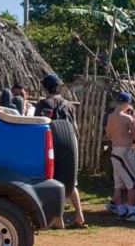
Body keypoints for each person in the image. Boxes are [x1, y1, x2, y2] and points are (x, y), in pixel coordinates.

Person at [35, 74, 88, 229]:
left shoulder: (43, 104)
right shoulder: (70, 105)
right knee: (71, 182)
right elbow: (75, 128)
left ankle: (58, 220)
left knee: (53, 181)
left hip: (52, 145)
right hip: (69, 144)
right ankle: (79, 216)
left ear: (46, 88)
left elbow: (38, 127)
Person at [105, 92, 135, 222]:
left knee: (119, 183)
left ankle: (121, 209)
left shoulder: (110, 117)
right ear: (127, 103)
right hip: (125, 153)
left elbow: (109, 134)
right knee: (132, 182)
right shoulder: (126, 118)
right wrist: (134, 119)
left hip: (115, 151)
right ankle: (132, 212)